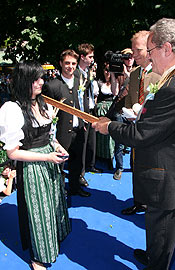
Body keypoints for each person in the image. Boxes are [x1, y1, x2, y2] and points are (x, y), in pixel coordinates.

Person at [92, 17, 175, 270]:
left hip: (167, 177)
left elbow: (141, 135)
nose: (149, 58)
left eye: (150, 51)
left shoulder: (174, 87)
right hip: (164, 169)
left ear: (166, 48)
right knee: (158, 230)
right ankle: (155, 257)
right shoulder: (170, 79)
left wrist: (108, 126)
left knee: (163, 231)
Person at [0, 62, 71, 270]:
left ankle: (53, 240)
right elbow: (12, 152)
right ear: (24, 82)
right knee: (38, 210)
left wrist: (57, 147)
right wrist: (46, 158)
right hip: (32, 168)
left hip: (50, 161)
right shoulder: (11, 109)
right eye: (36, 79)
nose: (42, 82)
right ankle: (39, 256)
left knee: (54, 203)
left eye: (41, 78)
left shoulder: (42, 103)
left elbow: (48, 136)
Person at [121, 31, 160, 215]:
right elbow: (130, 98)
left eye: (138, 50)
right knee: (135, 165)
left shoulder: (162, 74)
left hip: (154, 135)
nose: (133, 55)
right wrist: (129, 111)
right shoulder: (135, 73)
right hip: (135, 130)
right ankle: (139, 201)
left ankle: (152, 206)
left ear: (150, 49)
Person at [43, 49, 91, 197]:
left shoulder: (81, 82)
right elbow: (47, 111)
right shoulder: (52, 86)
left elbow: (85, 104)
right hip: (62, 132)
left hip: (79, 129)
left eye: (73, 63)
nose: (70, 66)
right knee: (59, 164)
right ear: (61, 64)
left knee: (77, 163)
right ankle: (57, 191)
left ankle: (75, 188)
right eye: (67, 63)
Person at [108, 48, 135, 180]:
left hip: (134, 112)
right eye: (126, 57)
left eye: (131, 56)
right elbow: (114, 92)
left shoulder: (139, 71)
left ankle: (134, 165)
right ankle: (119, 167)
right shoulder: (119, 74)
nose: (129, 59)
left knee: (134, 141)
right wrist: (113, 75)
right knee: (119, 142)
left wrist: (127, 73)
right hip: (120, 111)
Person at [77, 43, 101, 178]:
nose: (92, 59)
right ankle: (80, 172)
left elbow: (94, 92)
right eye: (90, 57)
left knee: (92, 140)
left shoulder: (89, 72)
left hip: (92, 109)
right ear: (82, 57)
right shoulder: (77, 74)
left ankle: (91, 165)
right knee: (83, 143)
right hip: (82, 112)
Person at [96, 62, 116, 170]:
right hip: (100, 111)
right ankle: (100, 156)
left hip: (111, 110)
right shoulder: (98, 83)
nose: (108, 72)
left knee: (110, 136)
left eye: (110, 70)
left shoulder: (115, 82)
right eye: (106, 70)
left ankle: (110, 158)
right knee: (100, 135)